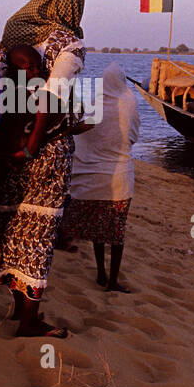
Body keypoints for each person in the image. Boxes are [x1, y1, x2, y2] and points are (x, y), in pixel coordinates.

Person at [0, 0, 86, 338]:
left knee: (12, 225)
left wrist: (2, 144)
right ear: (70, 5)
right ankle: (28, 321)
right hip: (44, 150)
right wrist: (32, 146)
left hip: (6, 150)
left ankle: (17, 307)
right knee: (38, 232)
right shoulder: (66, 42)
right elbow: (52, 98)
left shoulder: (8, 42)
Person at [60, 62, 140, 292]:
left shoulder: (96, 103)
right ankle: (113, 280)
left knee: (98, 229)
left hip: (93, 177)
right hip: (119, 178)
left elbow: (86, 133)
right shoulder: (130, 103)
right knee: (116, 232)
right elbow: (133, 136)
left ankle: (101, 274)